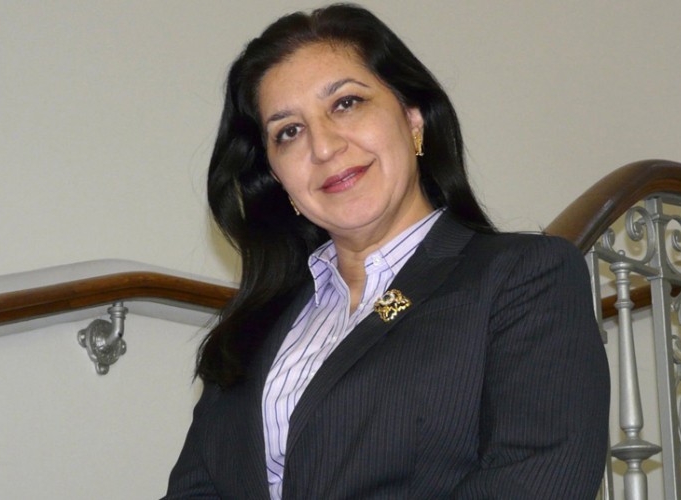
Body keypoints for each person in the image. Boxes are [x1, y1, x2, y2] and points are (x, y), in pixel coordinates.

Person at [164, 4, 609, 499]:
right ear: (276, 175)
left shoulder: (523, 277)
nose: (323, 147)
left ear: (412, 118)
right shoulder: (253, 327)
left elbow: (538, 477)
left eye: (346, 103)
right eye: (289, 131)